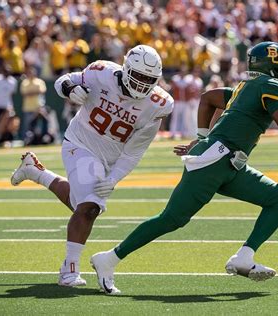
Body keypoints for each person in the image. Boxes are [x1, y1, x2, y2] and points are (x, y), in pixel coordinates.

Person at [90, 41, 278, 295]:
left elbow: (208, 98)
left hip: (229, 163)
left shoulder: (247, 87)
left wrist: (201, 138)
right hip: (216, 160)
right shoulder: (271, 85)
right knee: (172, 219)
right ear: (275, 65)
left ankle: (244, 256)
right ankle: (109, 258)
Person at [10, 45, 173, 287]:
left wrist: (115, 177)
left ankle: (36, 172)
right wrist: (69, 88)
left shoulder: (158, 103)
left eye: (149, 79)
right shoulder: (102, 71)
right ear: (127, 69)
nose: (142, 83)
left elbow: (135, 150)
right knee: (90, 206)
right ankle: (69, 269)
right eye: (138, 76)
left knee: (81, 204)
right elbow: (64, 80)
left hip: (110, 157)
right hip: (80, 142)